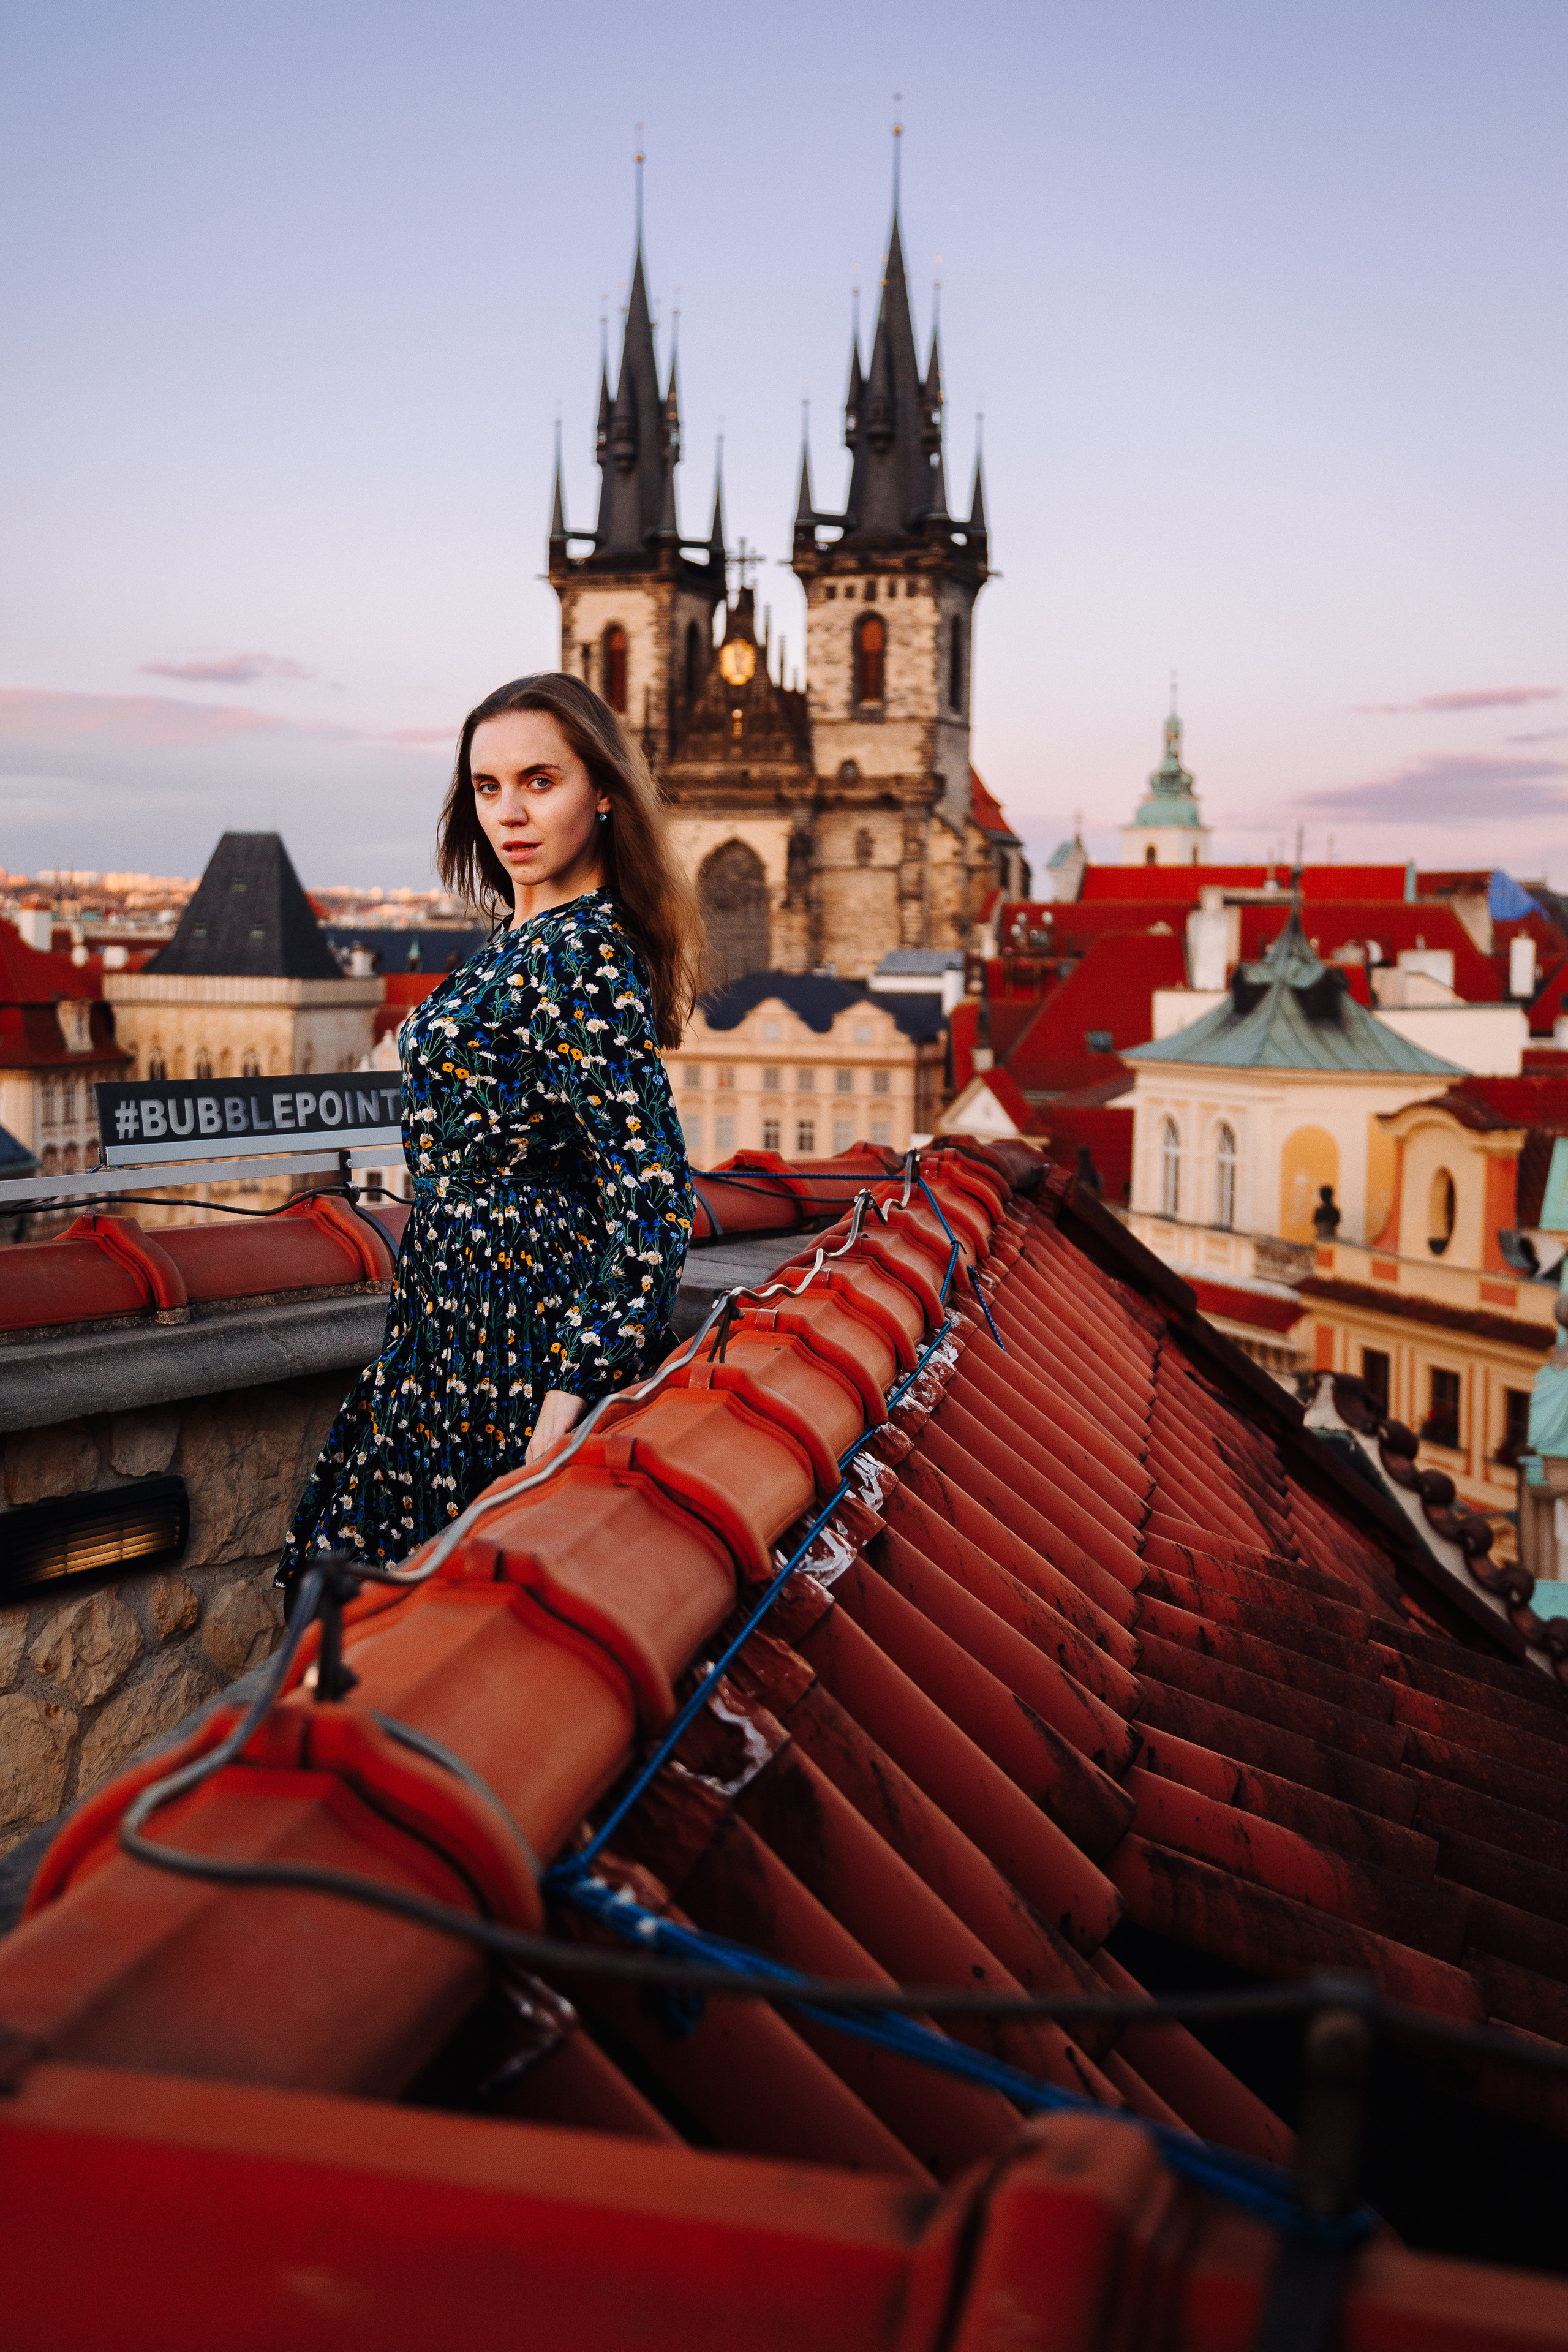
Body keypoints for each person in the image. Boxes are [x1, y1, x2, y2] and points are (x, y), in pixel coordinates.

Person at [277, 672, 699, 1594]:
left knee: (394, 1624)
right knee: (371, 1611)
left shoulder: (579, 952)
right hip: (452, 1328)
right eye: (487, 787)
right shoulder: (521, 936)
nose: (509, 811)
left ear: (605, 797)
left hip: (517, 1350)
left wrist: (568, 1400)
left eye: (540, 781)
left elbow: (654, 1193)